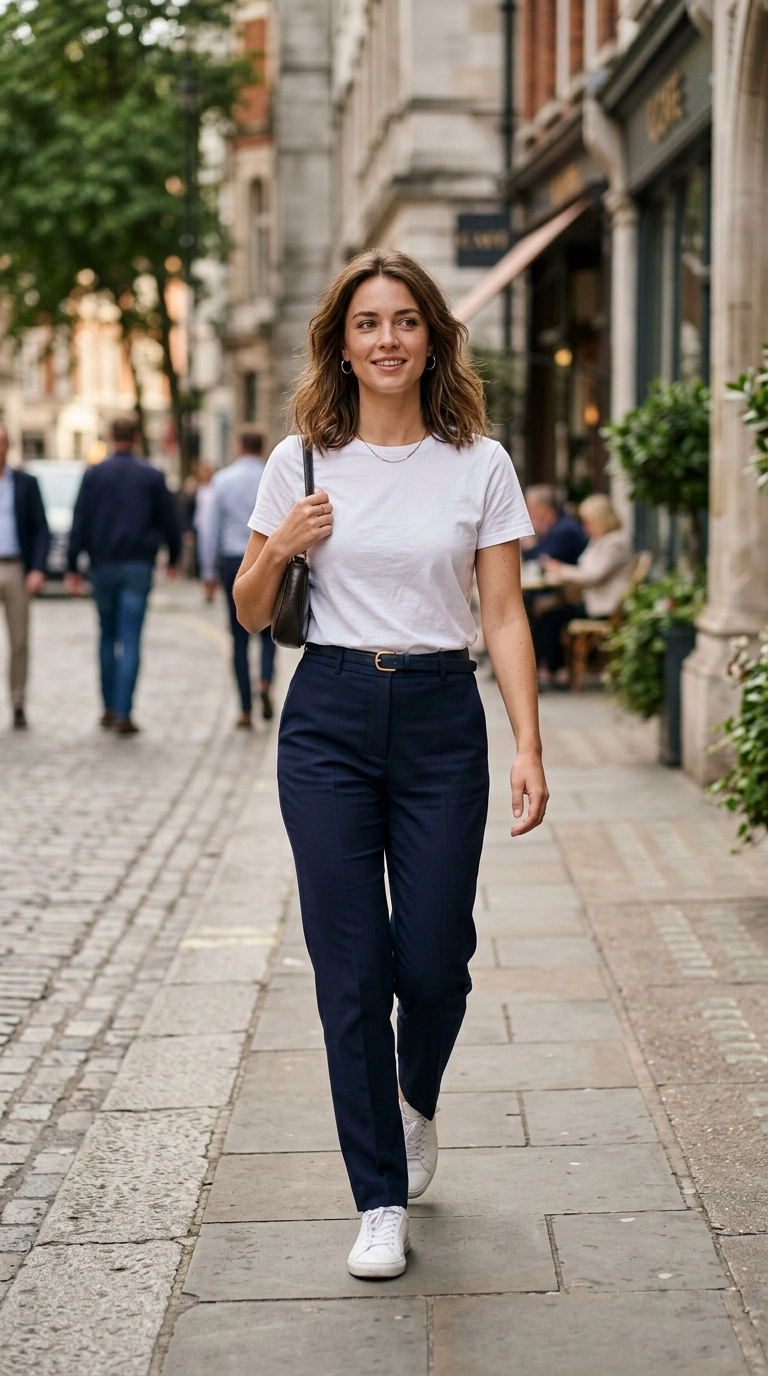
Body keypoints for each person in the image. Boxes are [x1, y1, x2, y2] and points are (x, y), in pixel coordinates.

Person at [233, 250, 549, 1280]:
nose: (385, 339)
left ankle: (414, 1098)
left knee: (433, 959)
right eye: (367, 323)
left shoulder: (478, 462)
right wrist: (281, 543)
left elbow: (501, 612)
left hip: (437, 715)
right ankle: (377, 1192)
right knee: (352, 969)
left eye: (404, 321)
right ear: (342, 340)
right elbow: (246, 604)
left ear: (431, 338)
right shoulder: (302, 459)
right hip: (325, 714)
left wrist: (529, 744)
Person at [65, 416, 181, 735]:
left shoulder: (93, 474)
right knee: (130, 637)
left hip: (102, 565)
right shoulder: (152, 475)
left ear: (110, 436)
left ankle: (108, 706)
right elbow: (169, 520)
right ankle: (124, 711)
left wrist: (73, 566)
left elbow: (81, 520)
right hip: (137, 566)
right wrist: (173, 556)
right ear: (138, 436)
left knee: (106, 634)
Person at [197, 431, 276, 726]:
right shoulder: (273, 474)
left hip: (234, 560)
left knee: (238, 638)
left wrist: (207, 571)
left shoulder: (223, 480)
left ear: (239, 446)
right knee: (271, 631)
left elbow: (210, 529)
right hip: (270, 557)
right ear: (263, 447)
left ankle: (245, 709)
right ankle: (266, 679)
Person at [0, 423, 49, 729]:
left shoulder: (25, 483)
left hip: (16, 567)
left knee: (19, 641)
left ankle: (18, 703)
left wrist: (37, 568)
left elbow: (41, 528)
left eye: (3, 442)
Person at [523, 485, 589, 687]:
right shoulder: (552, 526)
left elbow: (543, 559)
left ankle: (545, 668)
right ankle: (540, 667)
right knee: (531, 605)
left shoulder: (564, 529)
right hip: (564, 591)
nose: (527, 510)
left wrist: (530, 545)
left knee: (541, 611)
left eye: (531, 506)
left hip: (577, 596)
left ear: (544, 507)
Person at [542, 493, 634, 619]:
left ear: (601, 520)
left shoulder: (615, 543)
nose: (584, 527)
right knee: (549, 614)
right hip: (593, 603)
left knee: (550, 619)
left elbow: (593, 575)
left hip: (604, 608)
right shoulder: (599, 540)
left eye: (588, 522)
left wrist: (561, 569)